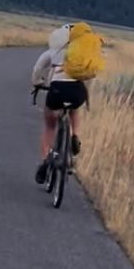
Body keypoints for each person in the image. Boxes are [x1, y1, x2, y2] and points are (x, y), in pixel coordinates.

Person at [30, 23, 88, 182]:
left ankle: (45, 162)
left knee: (50, 125)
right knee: (75, 109)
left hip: (56, 90)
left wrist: (37, 83)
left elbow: (37, 70)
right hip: (76, 90)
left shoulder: (52, 52)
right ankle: (75, 136)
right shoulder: (81, 52)